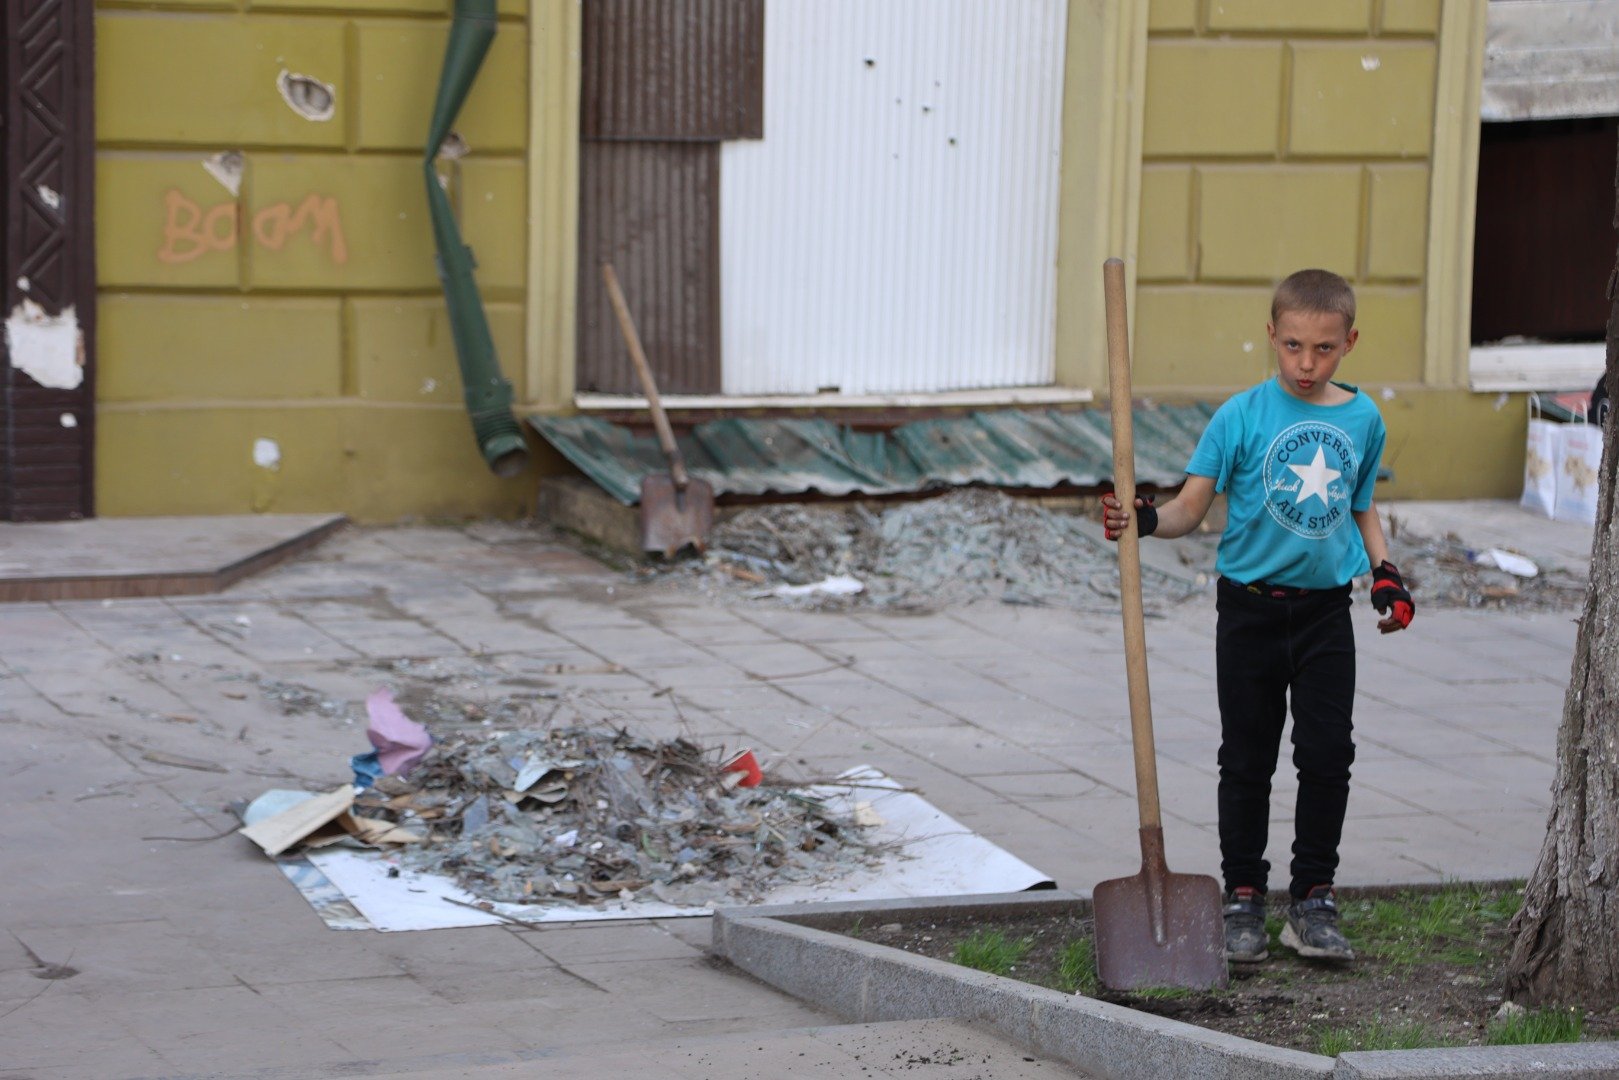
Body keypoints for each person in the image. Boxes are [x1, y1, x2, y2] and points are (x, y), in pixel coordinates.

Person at [1100, 268, 1414, 965]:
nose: (1306, 364)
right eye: (1294, 345)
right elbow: (1188, 508)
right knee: (1245, 759)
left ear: (1349, 341)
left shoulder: (1363, 420)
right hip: (1247, 612)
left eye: (1324, 349)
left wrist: (1384, 575)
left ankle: (1312, 901)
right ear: (1270, 334)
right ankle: (1242, 895)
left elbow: (1361, 505)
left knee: (1327, 756)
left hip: (1326, 614)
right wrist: (1143, 520)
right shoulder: (1238, 417)